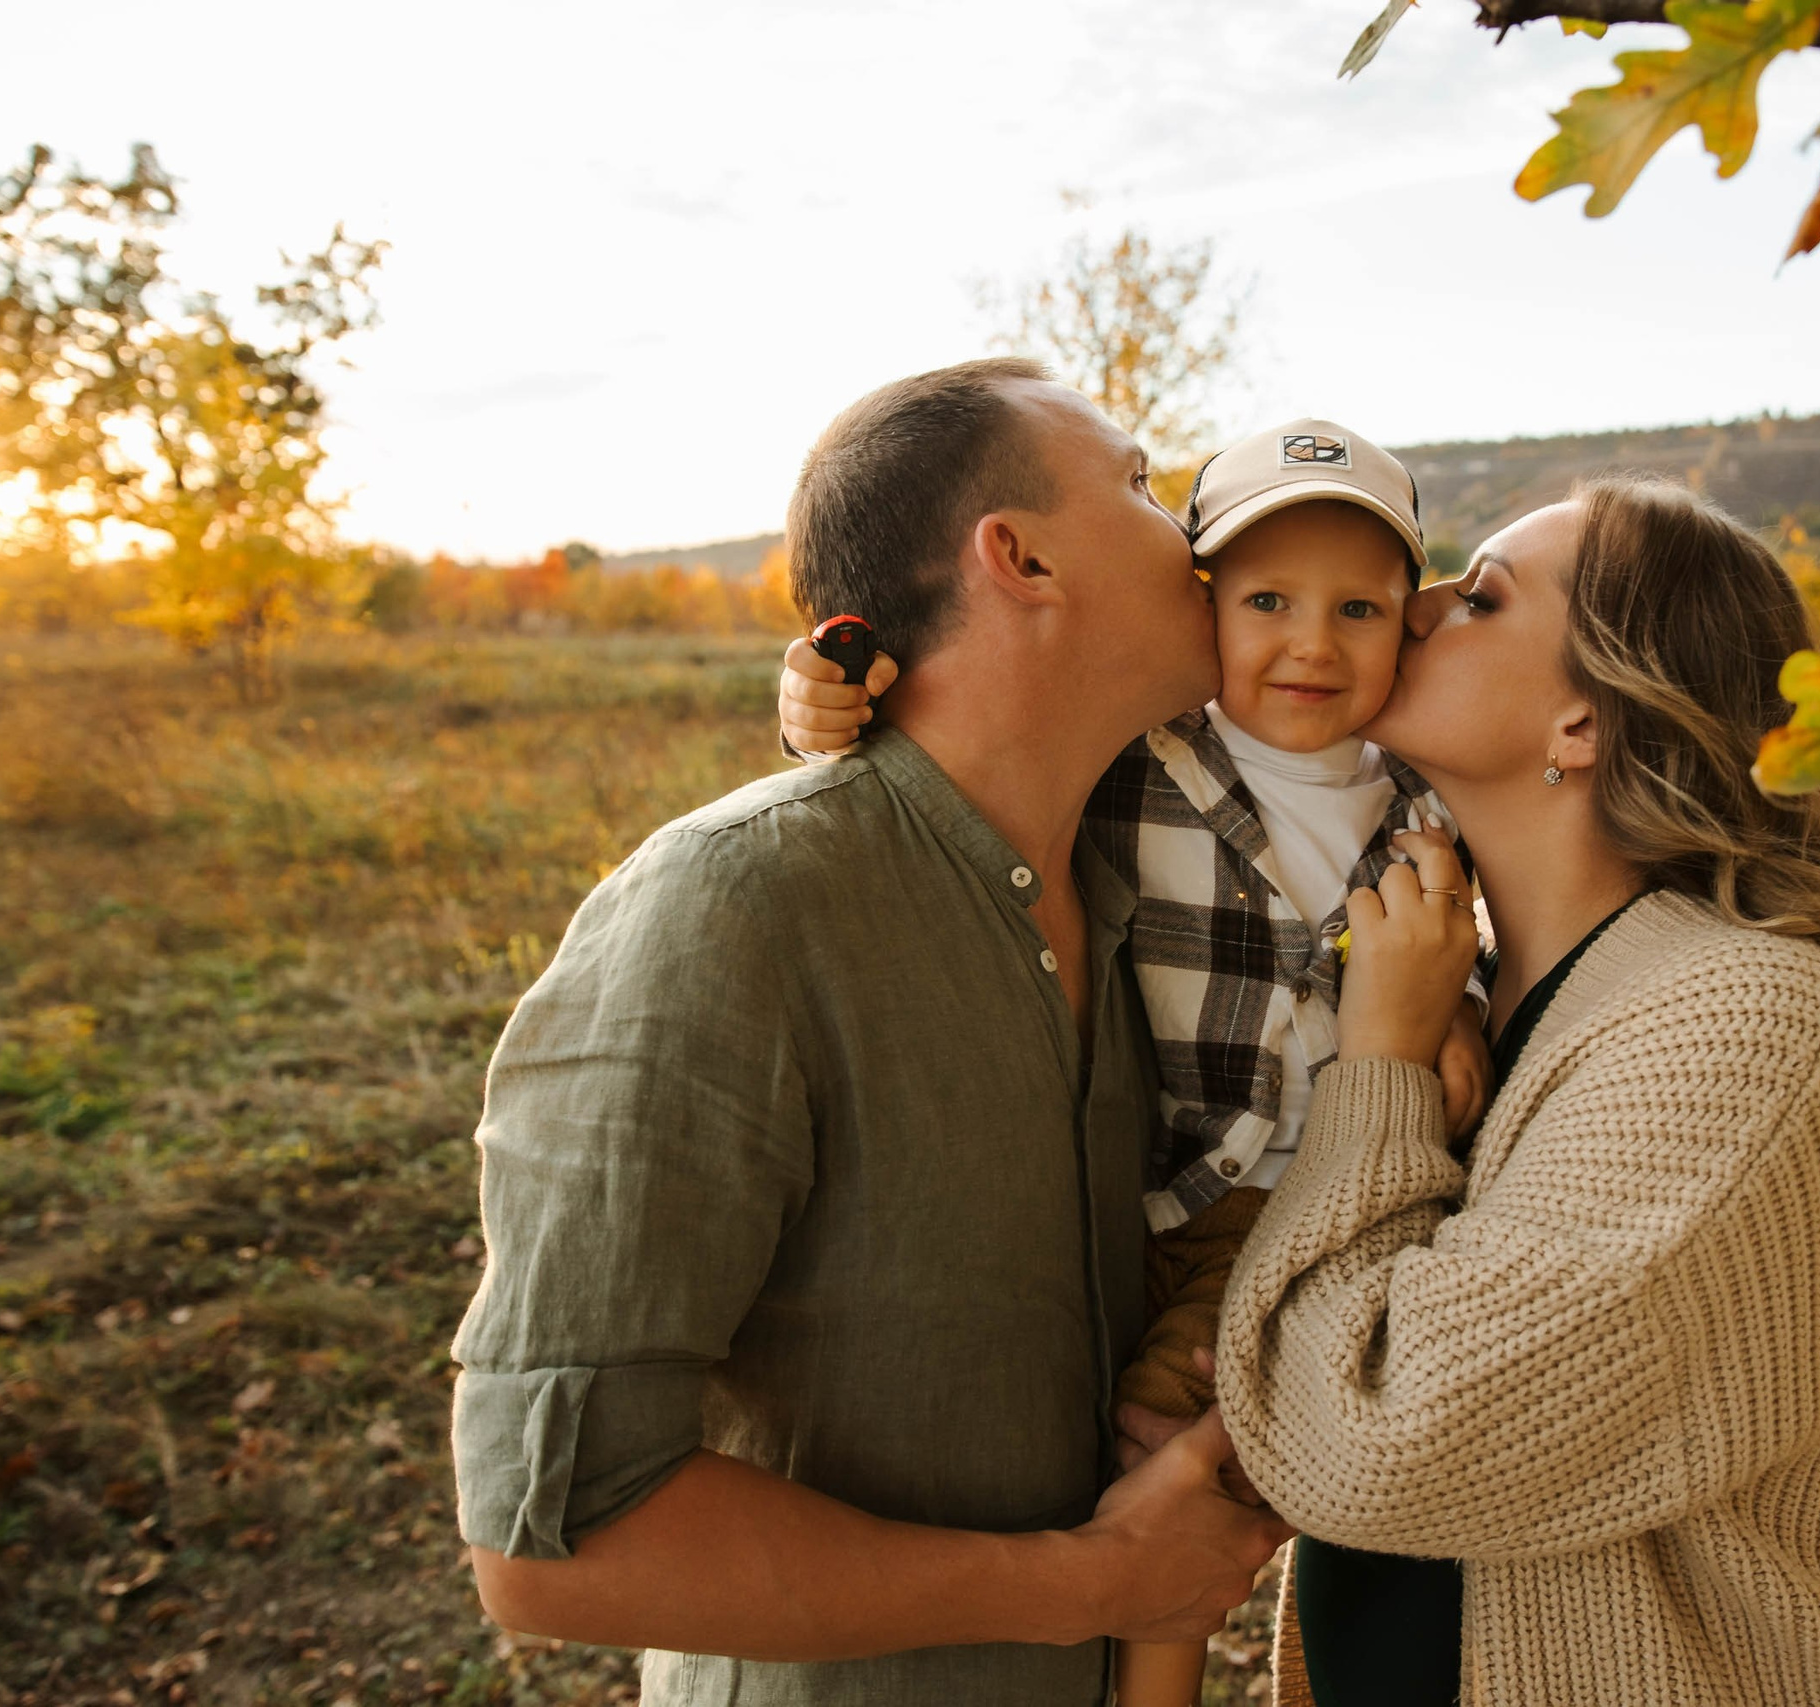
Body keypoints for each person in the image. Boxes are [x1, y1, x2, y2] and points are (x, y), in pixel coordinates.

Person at [449, 357, 1291, 1707]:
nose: (1188, 533)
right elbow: (559, 1544)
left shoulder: (1155, 900)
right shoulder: (733, 908)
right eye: (1138, 487)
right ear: (1017, 557)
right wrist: (1092, 1578)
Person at [779, 418, 1495, 1707]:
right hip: (1143, 1178)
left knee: (1182, 1441)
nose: (1311, 644)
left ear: (1411, 620)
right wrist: (814, 708)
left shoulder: (1424, 794)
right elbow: (963, 753)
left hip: (1317, 1190)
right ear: (1205, 604)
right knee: (1142, 1449)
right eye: (1266, 600)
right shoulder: (1139, 752)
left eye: (1359, 609)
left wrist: (1464, 1026)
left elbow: (1463, 949)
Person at [1207, 476, 1820, 1706]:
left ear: (1582, 725)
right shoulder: (1482, 999)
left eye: (1484, 595)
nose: (1423, 601)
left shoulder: (1750, 1019)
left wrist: (1383, 1066)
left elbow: (1375, 1439)